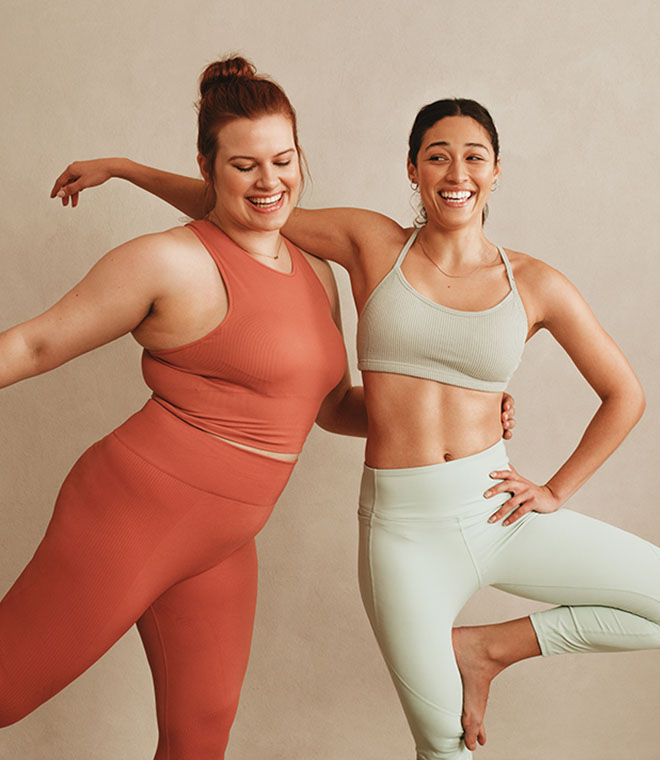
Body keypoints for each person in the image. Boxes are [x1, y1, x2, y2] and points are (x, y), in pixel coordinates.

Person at [64, 96, 649, 760]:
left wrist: (557, 489)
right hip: (404, 532)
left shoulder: (537, 283)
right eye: (437, 156)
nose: (456, 171)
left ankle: (487, 648)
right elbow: (244, 205)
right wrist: (122, 168)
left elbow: (624, 394)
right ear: (412, 170)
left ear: (496, 171)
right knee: (445, 747)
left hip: (495, 509)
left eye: (473, 157)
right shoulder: (372, 244)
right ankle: (471, 660)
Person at [0, 57, 375, 760]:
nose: (269, 182)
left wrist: (456, 413)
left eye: (283, 160)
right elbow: (35, 344)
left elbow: (331, 407)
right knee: (5, 692)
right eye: (244, 166)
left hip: (223, 539)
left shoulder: (314, 270)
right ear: (207, 167)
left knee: (199, 737)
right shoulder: (169, 262)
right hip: (135, 509)